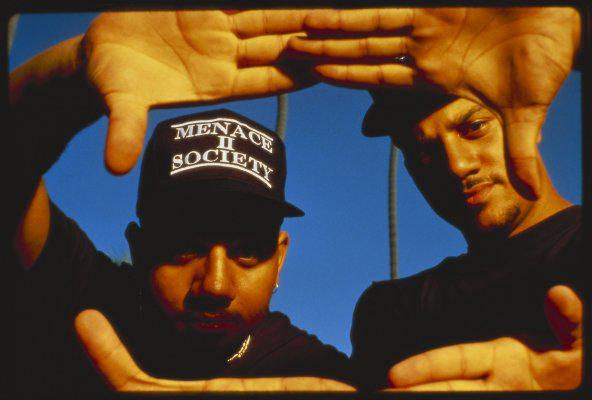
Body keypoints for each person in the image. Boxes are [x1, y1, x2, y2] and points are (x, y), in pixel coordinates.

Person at [10, 10, 355, 394]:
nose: (216, 285)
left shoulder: (318, 375)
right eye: (184, 247)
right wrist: (72, 72)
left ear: (280, 258)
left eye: (247, 251)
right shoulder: (92, 302)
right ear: (139, 249)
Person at [348, 89, 583, 390]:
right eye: (422, 151)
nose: (456, 166)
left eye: (474, 128)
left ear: (529, 123)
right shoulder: (389, 310)